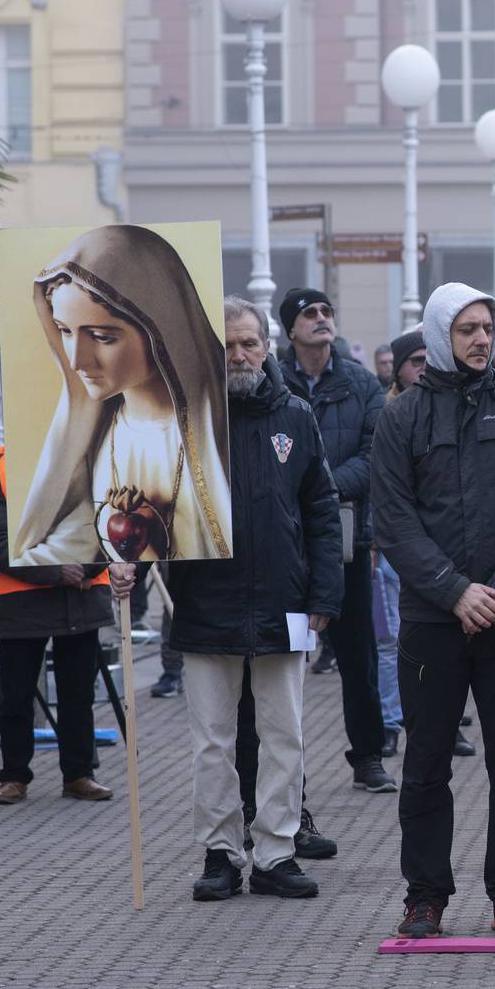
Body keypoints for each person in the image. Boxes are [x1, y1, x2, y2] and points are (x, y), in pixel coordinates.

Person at [374, 282, 495, 941]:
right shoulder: (401, 418)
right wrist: (455, 591)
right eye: (468, 329)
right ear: (437, 336)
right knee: (425, 761)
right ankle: (424, 896)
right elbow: (393, 521)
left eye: (488, 327)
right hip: (433, 621)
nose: (483, 339)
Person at [175, 297, 343, 902]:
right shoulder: (186, 420)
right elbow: (149, 509)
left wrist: (325, 592)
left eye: (249, 343)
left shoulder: (296, 416)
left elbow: (321, 509)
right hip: (205, 603)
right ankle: (221, 853)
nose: (240, 355)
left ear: (268, 347)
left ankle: (275, 852)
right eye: (227, 345)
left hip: (284, 602)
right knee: (213, 741)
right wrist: (127, 571)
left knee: (284, 734)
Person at [15, 225, 231, 565]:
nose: (76, 360)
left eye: (101, 336)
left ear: (161, 330)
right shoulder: (96, 434)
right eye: (65, 332)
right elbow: (75, 542)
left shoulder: (219, 426)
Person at [275, 287, 396, 793]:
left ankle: (367, 756)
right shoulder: (271, 380)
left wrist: (319, 483)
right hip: (283, 537)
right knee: (283, 657)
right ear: (290, 330)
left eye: (326, 311)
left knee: (356, 653)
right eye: (309, 314)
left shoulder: (362, 383)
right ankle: (284, 769)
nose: (321, 319)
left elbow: (374, 456)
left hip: (346, 536)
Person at [0, 447, 134, 806]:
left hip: (78, 600)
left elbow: (106, 525)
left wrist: (87, 569)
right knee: (16, 695)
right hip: (23, 604)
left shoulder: (90, 457)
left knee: (78, 695)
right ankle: (15, 776)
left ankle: (78, 775)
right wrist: (55, 572)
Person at [373, 328, 427, 759]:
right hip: (395, 547)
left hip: (440, 547)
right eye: (416, 362)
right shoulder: (387, 413)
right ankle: (391, 721)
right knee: (391, 641)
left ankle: (440, 722)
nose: (424, 369)